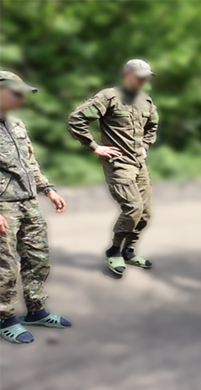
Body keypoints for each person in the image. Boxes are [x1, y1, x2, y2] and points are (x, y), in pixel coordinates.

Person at [66, 59, 159, 276]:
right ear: (126, 74)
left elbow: (152, 126)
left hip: (139, 163)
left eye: (146, 76)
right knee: (133, 208)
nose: (143, 80)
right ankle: (114, 250)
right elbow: (76, 119)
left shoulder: (146, 100)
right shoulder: (109, 97)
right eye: (139, 76)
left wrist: (145, 145)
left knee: (145, 213)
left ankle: (128, 250)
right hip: (119, 164)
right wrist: (95, 147)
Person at [0, 71, 71, 344]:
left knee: (37, 257)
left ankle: (36, 311)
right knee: (5, 265)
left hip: (28, 201)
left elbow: (30, 164)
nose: (21, 100)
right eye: (16, 93)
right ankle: (5, 318)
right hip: (3, 205)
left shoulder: (17, 124)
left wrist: (48, 190)